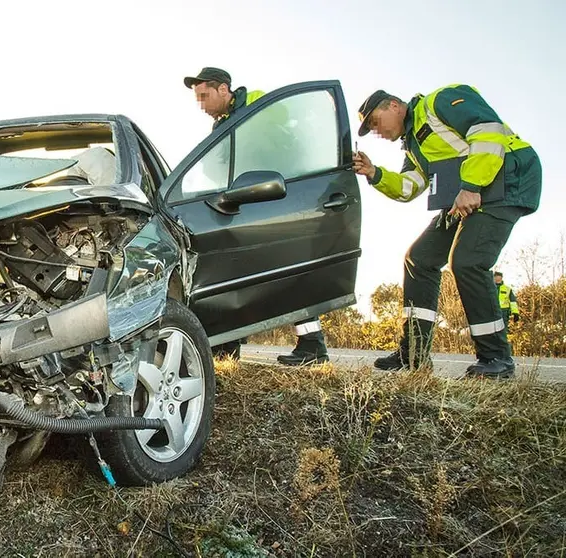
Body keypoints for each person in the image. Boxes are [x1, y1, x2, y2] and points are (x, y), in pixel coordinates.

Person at [352, 85, 542, 379]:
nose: (377, 132)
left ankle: (496, 359)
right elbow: (408, 187)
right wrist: (374, 173)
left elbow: (488, 130)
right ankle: (414, 355)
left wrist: (471, 186)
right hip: (468, 192)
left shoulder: (439, 102)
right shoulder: (413, 144)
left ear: (393, 106)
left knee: (468, 261)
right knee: (420, 259)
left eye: (375, 123)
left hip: (507, 178)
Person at [183, 66, 329, 366]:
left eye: (204, 96)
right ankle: (226, 345)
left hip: (278, 198)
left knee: (289, 266)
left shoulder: (258, 105)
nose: (201, 106)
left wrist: (241, 127)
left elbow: (284, 126)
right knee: (232, 269)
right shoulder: (220, 128)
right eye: (198, 99)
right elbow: (216, 169)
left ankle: (313, 344)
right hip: (243, 203)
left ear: (224, 89)